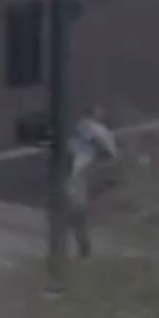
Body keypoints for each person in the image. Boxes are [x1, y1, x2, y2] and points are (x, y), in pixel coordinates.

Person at [64, 108, 122, 259]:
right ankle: (83, 244)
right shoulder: (106, 131)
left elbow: (100, 145)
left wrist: (100, 155)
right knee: (79, 208)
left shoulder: (85, 125)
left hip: (84, 171)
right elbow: (112, 153)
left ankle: (83, 245)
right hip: (94, 172)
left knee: (78, 209)